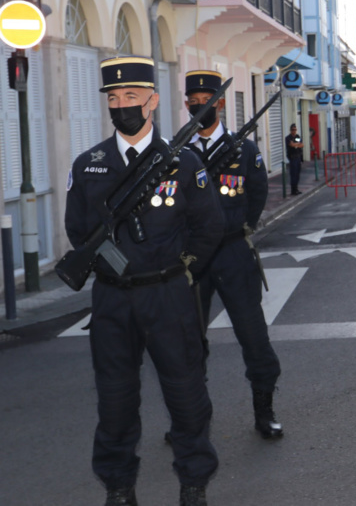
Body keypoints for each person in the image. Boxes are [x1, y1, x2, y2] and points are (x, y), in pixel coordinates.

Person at [64, 56, 222, 506]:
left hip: (168, 294)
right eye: (113, 99)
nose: (121, 106)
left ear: (152, 101)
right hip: (113, 301)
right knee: (114, 402)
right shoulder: (89, 164)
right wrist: (107, 263)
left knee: (187, 395)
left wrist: (182, 268)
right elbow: (78, 230)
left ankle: (194, 482)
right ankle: (118, 486)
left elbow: (208, 227)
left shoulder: (184, 162)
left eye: (131, 97)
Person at [185, 70, 283, 440]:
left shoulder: (244, 149)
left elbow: (257, 195)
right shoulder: (179, 152)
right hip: (192, 257)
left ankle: (265, 410)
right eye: (192, 101)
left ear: (220, 103)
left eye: (205, 100)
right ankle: (192, 413)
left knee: (253, 335)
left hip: (232, 252)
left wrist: (239, 227)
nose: (198, 105)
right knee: (189, 340)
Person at [285, 123, 303, 195]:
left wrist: (295, 144)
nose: (294, 131)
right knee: (293, 174)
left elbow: (301, 145)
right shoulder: (288, 138)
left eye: (295, 130)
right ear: (290, 130)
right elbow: (291, 145)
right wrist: (296, 144)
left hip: (298, 157)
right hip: (292, 158)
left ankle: (296, 189)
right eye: (293, 130)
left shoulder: (297, 136)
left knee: (297, 174)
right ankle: (293, 190)